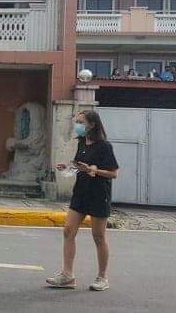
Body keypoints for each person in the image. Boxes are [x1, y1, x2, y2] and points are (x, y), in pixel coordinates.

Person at [48, 110, 119, 292]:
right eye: (77, 121)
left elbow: (113, 173)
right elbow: (80, 165)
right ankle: (67, 275)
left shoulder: (104, 146)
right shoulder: (82, 143)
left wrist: (94, 170)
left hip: (98, 194)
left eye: (81, 122)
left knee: (98, 236)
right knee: (68, 231)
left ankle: (102, 277)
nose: (77, 125)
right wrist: (69, 166)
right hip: (80, 192)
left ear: (92, 124)